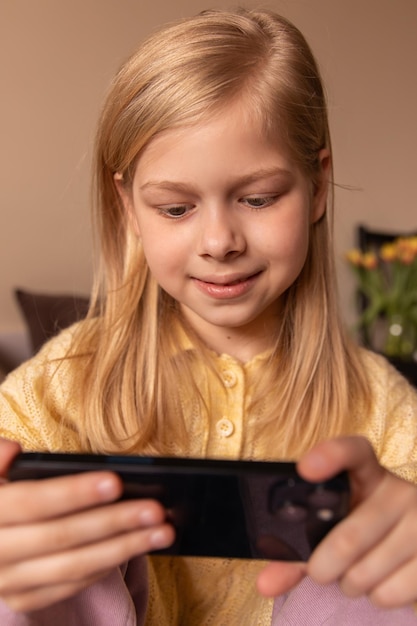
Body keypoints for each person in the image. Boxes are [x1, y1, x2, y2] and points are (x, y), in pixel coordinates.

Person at [1, 7, 417, 625]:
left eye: (257, 198)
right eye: (175, 208)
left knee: (390, 561)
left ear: (319, 187)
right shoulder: (60, 388)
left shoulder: (384, 410)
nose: (219, 241)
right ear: (128, 208)